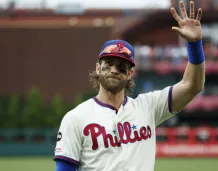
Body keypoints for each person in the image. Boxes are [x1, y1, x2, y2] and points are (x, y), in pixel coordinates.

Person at [54, 1, 205, 171]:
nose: (114, 70)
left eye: (121, 67)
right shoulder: (76, 118)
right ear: (98, 67)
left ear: (130, 73)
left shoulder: (148, 107)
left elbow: (192, 85)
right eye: (108, 63)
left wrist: (195, 44)